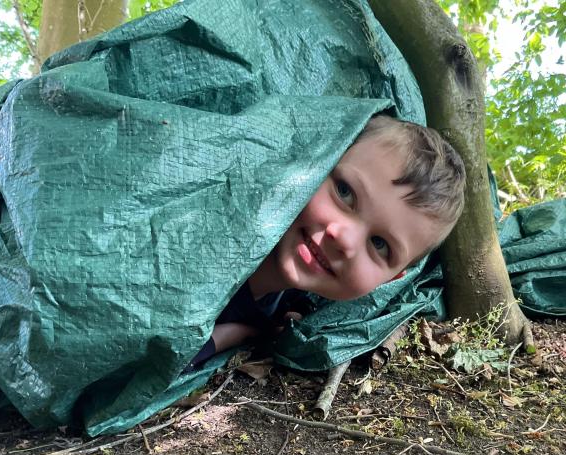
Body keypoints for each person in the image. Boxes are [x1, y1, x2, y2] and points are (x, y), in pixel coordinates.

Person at [184, 114, 466, 371]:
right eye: (345, 192)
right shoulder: (195, 253)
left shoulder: (289, 301)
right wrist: (233, 335)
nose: (343, 238)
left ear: (393, 278)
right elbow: (175, 350)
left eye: (379, 244)